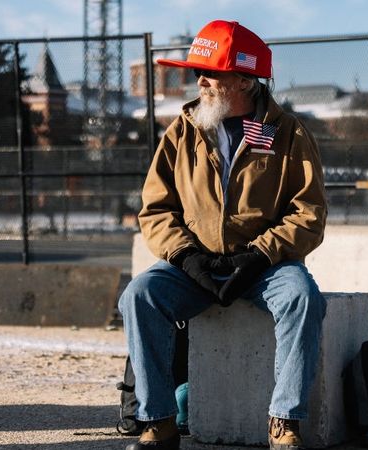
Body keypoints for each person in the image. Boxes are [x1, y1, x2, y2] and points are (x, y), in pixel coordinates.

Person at [118, 19, 327, 450]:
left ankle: (284, 420)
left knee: (302, 297)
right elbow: (156, 209)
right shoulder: (182, 131)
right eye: (200, 72)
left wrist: (258, 256)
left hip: (265, 267)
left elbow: (308, 213)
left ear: (246, 80)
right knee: (139, 295)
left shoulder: (288, 133)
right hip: (195, 265)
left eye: (212, 72)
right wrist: (186, 257)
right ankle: (158, 419)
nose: (202, 81)